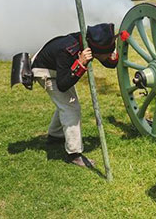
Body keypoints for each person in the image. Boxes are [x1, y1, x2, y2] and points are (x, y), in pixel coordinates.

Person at [30, 23, 118, 168]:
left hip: (59, 69)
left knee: (66, 104)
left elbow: (110, 63)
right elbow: (63, 84)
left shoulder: (92, 41)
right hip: (45, 71)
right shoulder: (68, 50)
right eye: (108, 52)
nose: (110, 55)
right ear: (95, 52)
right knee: (71, 108)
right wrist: (80, 63)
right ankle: (74, 154)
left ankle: (55, 135)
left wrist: (115, 51)